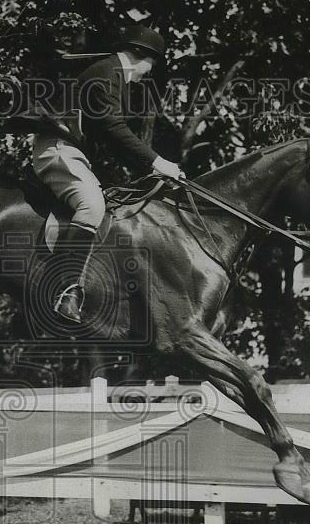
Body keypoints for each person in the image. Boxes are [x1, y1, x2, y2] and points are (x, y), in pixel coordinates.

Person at [11, 24, 186, 324]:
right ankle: (64, 291)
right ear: (141, 56)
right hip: (58, 150)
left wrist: (151, 171)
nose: (148, 72)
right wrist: (159, 162)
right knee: (92, 205)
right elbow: (114, 128)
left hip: (75, 152)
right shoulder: (107, 73)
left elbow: (111, 138)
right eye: (151, 65)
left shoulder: (111, 74)